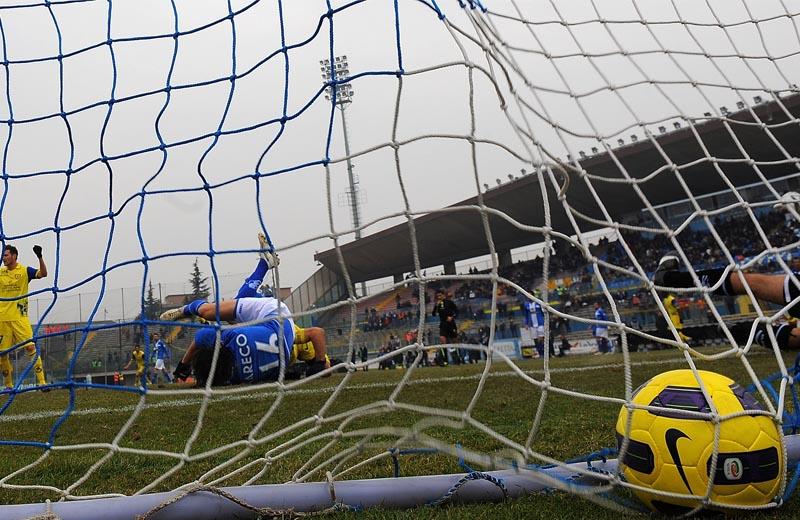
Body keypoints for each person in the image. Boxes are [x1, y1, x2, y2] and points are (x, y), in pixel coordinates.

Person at [164, 234, 328, 385]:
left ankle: (264, 264)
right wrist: (183, 369)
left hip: (280, 332)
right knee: (212, 312)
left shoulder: (234, 376)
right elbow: (199, 339)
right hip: (275, 317)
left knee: (237, 302)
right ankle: (188, 309)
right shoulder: (232, 346)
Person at [654, 252, 800, 350]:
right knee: (755, 283)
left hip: (676, 323)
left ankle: (744, 331)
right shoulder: (669, 300)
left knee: (754, 283)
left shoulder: (670, 300)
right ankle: (671, 279)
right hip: (675, 323)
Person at [0, 244, 48, 389]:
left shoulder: (25, 271)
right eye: (3, 255)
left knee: (30, 348)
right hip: (2, 319)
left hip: (20, 318)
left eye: (6, 255)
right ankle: (8, 386)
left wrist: (40, 257)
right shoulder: (0, 273)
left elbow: (43, 274)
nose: (4, 258)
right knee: (2, 355)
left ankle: (42, 383)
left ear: (14, 256)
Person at [431, 289, 458, 366]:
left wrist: (452, 317)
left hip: (451, 325)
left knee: (454, 342)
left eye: (440, 295)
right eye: (438, 296)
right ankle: (445, 360)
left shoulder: (449, 302)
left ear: (444, 295)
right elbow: (433, 314)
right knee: (443, 341)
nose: (439, 297)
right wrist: (436, 306)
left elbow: (457, 311)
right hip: (443, 325)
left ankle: (457, 359)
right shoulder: (438, 304)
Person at [523, 291, 547, 357]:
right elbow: (525, 315)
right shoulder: (526, 304)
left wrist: (546, 320)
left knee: (541, 337)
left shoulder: (538, 302)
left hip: (540, 323)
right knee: (535, 339)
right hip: (532, 324)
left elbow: (543, 312)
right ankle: (540, 352)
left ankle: (544, 352)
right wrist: (526, 323)